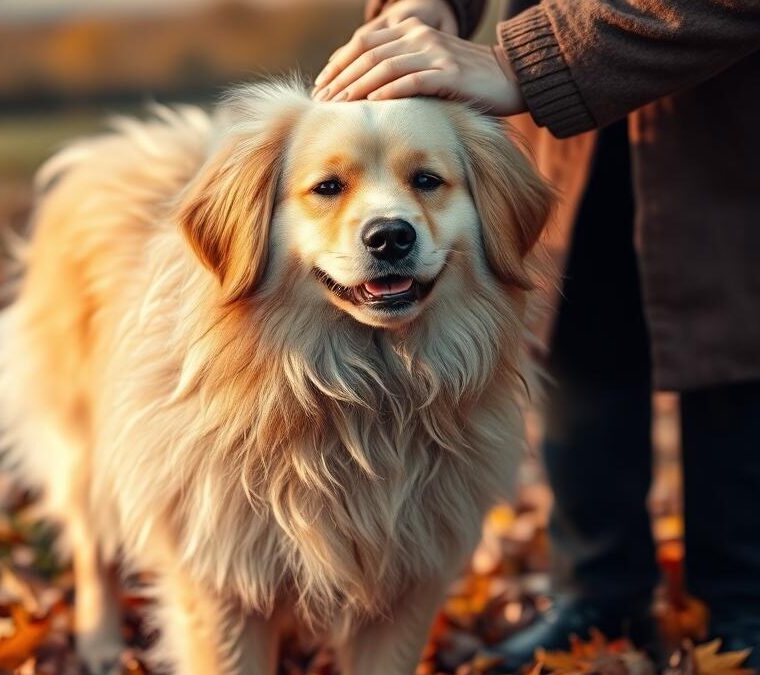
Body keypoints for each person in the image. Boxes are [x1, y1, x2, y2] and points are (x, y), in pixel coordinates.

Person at [314, 0, 760, 668]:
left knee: (737, 310)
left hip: (731, 105)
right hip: (570, 128)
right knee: (577, 310)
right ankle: (597, 597)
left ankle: (741, 607)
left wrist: (526, 63)